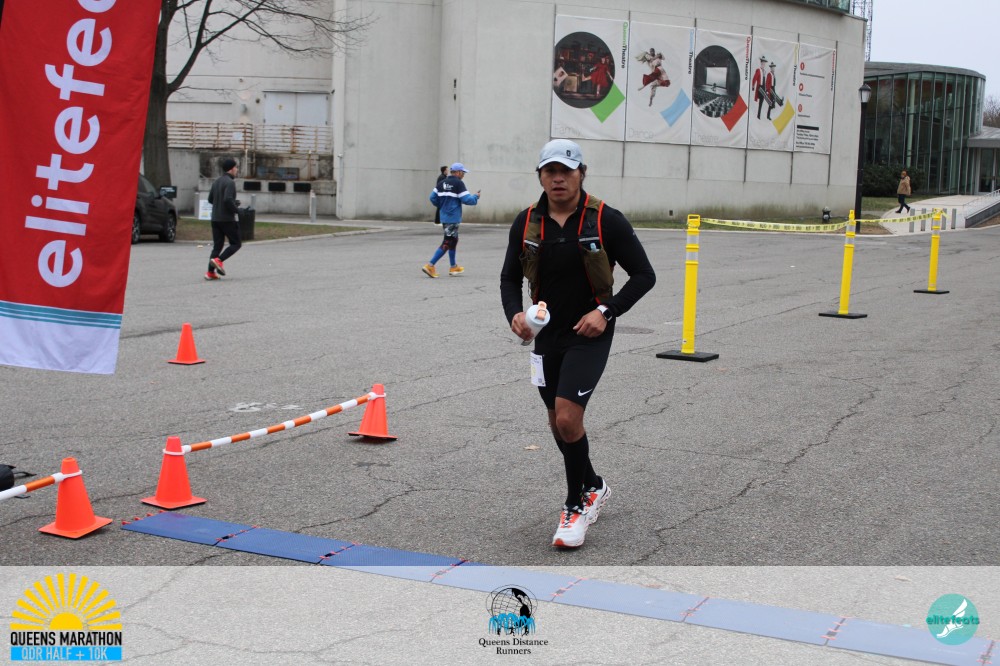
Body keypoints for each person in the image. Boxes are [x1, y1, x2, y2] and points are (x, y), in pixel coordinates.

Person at [500, 139, 656, 549]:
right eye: (550, 171)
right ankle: (594, 484)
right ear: (540, 176)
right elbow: (508, 277)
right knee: (557, 424)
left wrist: (605, 311)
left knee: (569, 419)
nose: (558, 179)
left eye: (566, 171)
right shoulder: (527, 221)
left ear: (581, 174)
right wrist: (515, 314)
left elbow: (644, 275)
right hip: (545, 334)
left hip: (589, 333)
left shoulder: (606, 219)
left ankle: (575, 507)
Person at [424, 162, 480, 277]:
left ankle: (453, 267)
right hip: (453, 217)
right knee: (448, 242)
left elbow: (432, 197)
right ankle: (430, 265)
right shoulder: (458, 183)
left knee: (453, 240)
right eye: (463, 172)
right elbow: (467, 200)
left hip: (444, 217)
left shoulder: (442, 183)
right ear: (458, 172)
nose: (463, 175)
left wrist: (442, 206)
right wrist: (475, 197)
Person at [205, 157, 242, 280]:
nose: (237, 170)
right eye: (236, 167)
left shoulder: (217, 182)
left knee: (217, 246)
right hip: (227, 219)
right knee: (236, 243)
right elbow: (227, 199)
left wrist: (231, 203)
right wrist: (237, 210)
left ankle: (210, 272)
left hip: (215, 218)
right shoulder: (230, 182)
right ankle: (219, 260)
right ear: (231, 169)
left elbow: (210, 199)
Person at [752, 54, 769, 119]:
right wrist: (753, 86)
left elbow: (765, 81)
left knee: (761, 102)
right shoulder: (758, 70)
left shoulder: (764, 71)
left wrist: (766, 89)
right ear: (761, 63)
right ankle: (758, 115)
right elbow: (754, 78)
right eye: (762, 62)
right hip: (760, 88)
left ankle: (758, 115)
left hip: (763, 88)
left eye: (764, 63)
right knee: (765, 98)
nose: (763, 64)